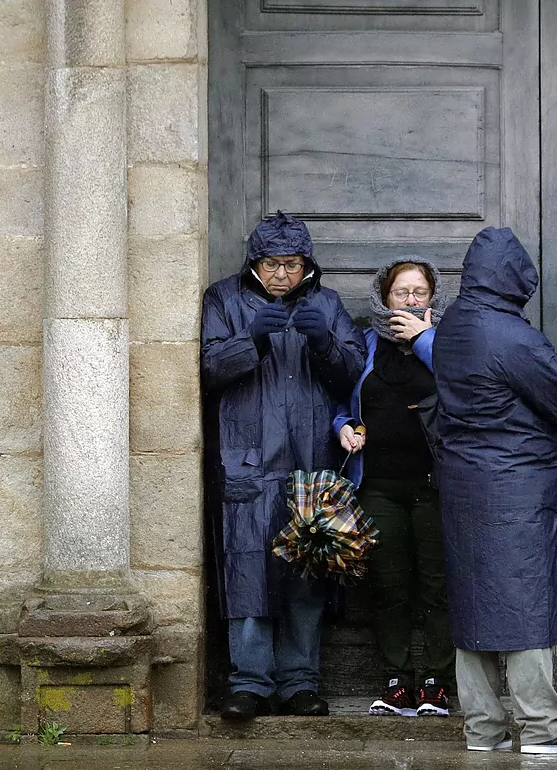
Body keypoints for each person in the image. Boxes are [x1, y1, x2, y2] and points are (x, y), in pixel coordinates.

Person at [433, 227, 557, 755]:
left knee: (473, 607)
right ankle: (543, 729)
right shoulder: (509, 333)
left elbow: (514, 380)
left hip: (464, 483)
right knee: (523, 604)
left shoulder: (452, 327)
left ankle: (483, 730)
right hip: (516, 486)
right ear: (514, 278)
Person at [201, 211, 366, 721]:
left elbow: (354, 376)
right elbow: (207, 369)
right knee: (247, 566)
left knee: (306, 574)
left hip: (311, 463)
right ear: (255, 263)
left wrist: (325, 344)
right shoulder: (223, 299)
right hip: (247, 458)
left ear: (306, 265)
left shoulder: (327, 303)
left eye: (292, 265)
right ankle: (250, 682)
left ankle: (300, 682)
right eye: (272, 264)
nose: (281, 276)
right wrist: (247, 341)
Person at [331, 257, 455, 718]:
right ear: (383, 298)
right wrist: (343, 425)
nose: (409, 300)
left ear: (432, 296)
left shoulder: (447, 342)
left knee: (437, 587)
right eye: (400, 292)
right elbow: (342, 400)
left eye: (419, 292)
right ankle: (396, 680)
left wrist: (422, 338)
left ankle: (437, 683)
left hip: (434, 485)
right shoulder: (365, 342)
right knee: (389, 586)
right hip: (378, 485)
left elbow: (461, 385)